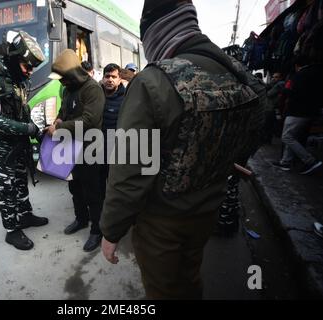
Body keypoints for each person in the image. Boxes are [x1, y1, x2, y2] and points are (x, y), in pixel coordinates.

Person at [100, 0, 265, 299]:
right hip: (207, 209)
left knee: (163, 289)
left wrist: (111, 231)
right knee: (189, 276)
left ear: (157, 32)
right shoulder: (238, 73)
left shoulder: (154, 82)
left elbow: (131, 171)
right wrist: (229, 159)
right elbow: (256, 124)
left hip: (163, 221)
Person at [0, 30, 49, 251]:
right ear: (14, 59)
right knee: (5, 187)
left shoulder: (17, 79)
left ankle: (25, 216)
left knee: (19, 180)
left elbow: (21, 109)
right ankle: (12, 230)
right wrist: (26, 128)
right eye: (27, 65)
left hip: (17, 143)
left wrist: (34, 130)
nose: (30, 71)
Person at [46, 49, 105, 252]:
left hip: (90, 147)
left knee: (93, 192)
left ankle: (97, 230)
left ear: (71, 74)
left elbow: (90, 121)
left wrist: (60, 128)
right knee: (75, 188)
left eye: (63, 78)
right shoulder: (67, 90)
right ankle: (81, 219)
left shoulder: (93, 89)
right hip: (70, 148)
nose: (61, 82)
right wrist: (57, 121)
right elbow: (64, 112)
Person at [272, 55, 323, 174]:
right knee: (291, 136)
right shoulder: (316, 74)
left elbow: (296, 93)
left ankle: (310, 161)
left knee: (287, 137)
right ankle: (286, 162)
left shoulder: (301, 75)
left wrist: (284, 91)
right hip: (309, 111)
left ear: (296, 66)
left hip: (297, 111)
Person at [99, 63, 126, 201]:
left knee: (115, 187)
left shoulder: (126, 98)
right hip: (96, 149)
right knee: (97, 187)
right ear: (103, 78)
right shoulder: (96, 96)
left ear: (120, 79)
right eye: (107, 76)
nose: (110, 79)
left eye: (113, 77)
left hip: (116, 150)